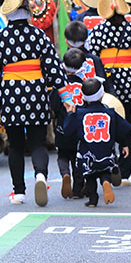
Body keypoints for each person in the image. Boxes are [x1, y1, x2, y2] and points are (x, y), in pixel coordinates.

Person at [0, 0, 71, 205]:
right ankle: (40, 175)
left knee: (16, 145)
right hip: (36, 92)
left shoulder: (0, 38)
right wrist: (66, 98)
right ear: (28, 12)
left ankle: (19, 191)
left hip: (10, 95)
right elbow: (54, 68)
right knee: (37, 142)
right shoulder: (39, 35)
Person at [83, 0, 131, 183]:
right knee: (128, 124)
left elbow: (92, 57)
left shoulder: (98, 31)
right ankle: (125, 171)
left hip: (106, 83)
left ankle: (109, 166)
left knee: (107, 124)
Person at [62, 78, 131, 206]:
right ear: (102, 94)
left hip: (87, 152)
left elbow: (67, 131)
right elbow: (122, 130)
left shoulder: (79, 114)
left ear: (83, 97)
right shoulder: (110, 112)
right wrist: (124, 144)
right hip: (106, 151)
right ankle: (106, 181)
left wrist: (70, 114)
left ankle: (93, 200)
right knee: (104, 170)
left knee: (89, 176)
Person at [54, 48, 92, 199]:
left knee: (63, 155)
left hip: (63, 126)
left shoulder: (61, 86)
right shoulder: (85, 85)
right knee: (79, 157)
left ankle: (65, 174)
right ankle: (77, 190)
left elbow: (55, 105)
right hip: (80, 129)